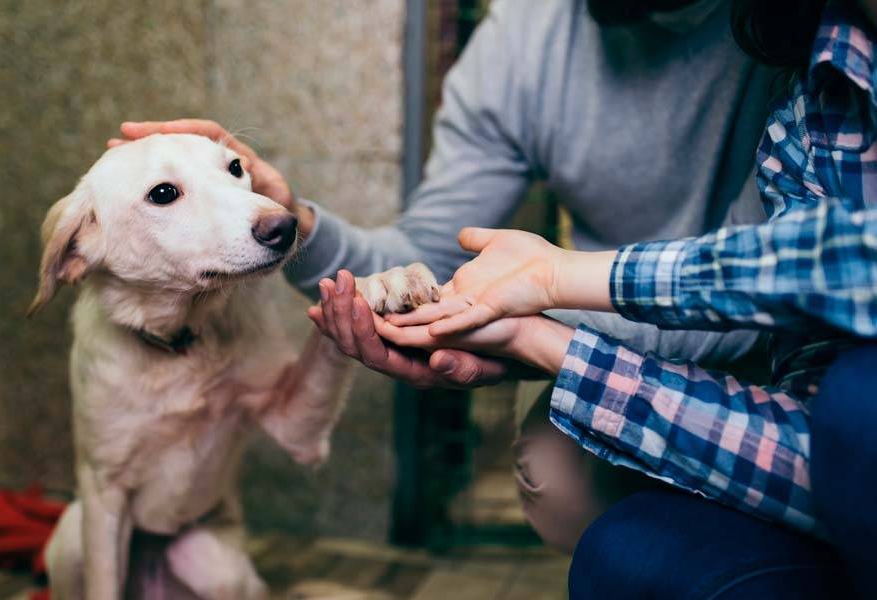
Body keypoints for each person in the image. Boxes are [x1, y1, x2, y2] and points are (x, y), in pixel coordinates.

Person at [115, 0, 779, 551]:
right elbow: (428, 257)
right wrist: (297, 228)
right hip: (617, 330)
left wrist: (531, 334)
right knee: (558, 480)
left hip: (793, 333)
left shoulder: (794, 30)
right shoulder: (523, 40)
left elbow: (778, 276)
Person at [373, 0, 877, 595]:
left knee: (856, 402)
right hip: (819, 418)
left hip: (754, 350)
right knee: (617, 550)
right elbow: (822, 454)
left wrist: (560, 280)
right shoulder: (812, 85)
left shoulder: (761, 65)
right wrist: (536, 339)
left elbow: (834, 260)